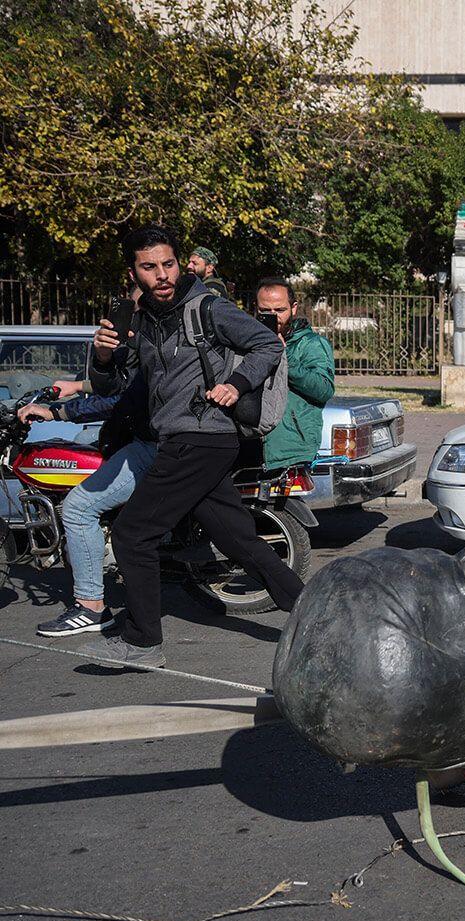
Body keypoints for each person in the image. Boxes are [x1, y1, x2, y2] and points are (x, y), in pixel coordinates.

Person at [78, 224, 303, 667]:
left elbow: (266, 346)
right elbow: (115, 383)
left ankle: (143, 642)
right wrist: (102, 357)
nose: (162, 274)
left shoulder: (209, 308)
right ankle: (319, 611)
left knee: (132, 533)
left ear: (179, 264)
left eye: (168, 263)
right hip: (184, 440)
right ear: (134, 273)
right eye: (150, 267)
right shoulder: (139, 321)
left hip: (202, 436)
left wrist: (236, 385)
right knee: (239, 542)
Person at [18, 369, 155, 637]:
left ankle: (91, 607)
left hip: (151, 443)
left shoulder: (149, 332)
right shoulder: (152, 334)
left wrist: (56, 412)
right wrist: (78, 385)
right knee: (84, 444)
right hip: (143, 435)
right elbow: (126, 381)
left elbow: (124, 396)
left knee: (78, 508)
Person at [252, 278, 334, 472]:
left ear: (293, 308)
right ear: (256, 309)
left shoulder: (312, 344)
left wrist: (284, 355)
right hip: (251, 441)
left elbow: (323, 389)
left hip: (290, 445)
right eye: (265, 311)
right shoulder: (248, 341)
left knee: (289, 502)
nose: (274, 316)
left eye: (280, 310)